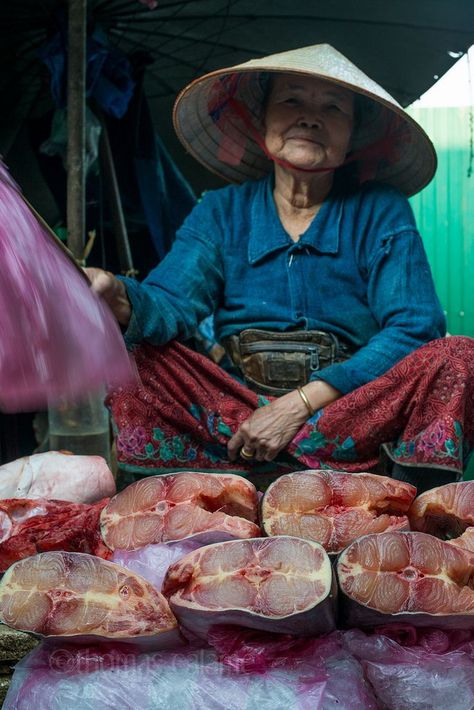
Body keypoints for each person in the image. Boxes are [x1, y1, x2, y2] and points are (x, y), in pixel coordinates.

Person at [86, 44, 474, 492]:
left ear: (352, 136)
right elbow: (171, 302)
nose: (310, 117)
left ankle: (412, 519)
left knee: (457, 356)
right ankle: (171, 504)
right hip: (239, 423)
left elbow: (415, 325)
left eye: (333, 108)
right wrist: (115, 293)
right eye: (291, 100)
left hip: (347, 416)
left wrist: (298, 405)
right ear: (260, 119)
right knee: (134, 351)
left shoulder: (380, 210)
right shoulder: (221, 210)